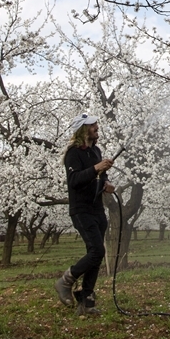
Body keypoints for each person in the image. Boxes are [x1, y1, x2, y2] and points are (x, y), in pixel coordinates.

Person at [55, 113, 115, 315]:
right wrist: (96, 168)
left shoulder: (96, 151)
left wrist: (106, 183)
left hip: (97, 208)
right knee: (97, 250)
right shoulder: (73, 153)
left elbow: (101, 175)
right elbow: (74, 180)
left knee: (97, 255)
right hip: (81, 209)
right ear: (82, 129)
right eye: (92, 125)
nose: (96, 127)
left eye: (96, 124)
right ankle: (66, 280)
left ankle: (86, 301)